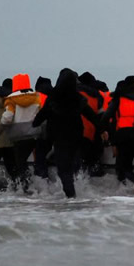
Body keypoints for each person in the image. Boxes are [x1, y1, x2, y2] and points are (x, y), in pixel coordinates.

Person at [32, 69, 99, 198]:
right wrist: (102, 129)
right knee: (74, 166)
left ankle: (71, 197)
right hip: (76, 136)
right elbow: (92, 117)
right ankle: (77, 193)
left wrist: (35, 123)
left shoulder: (53, 97)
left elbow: (42, 115)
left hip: (59, 138)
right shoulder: (78, 98)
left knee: (64, 170)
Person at [0, 73, 42, 191]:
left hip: (18, 138)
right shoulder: (36, 98)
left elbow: (7, 118)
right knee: (27, 161)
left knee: (20, 164)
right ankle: (34, 185)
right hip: (33, 136)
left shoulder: (11, 100)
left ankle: (25, 188)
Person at [77, 72, 106, 177]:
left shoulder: (74, 93)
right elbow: (101, 116)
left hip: (77, 132)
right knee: (94, 164)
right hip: (93, 133)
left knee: (80, 167)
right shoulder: (97, 95)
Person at [33, 76, 54, 179]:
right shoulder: (54, 96)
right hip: (54, 131)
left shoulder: (36, 96)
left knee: (40, 156)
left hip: (41, 131)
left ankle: (42, 178)